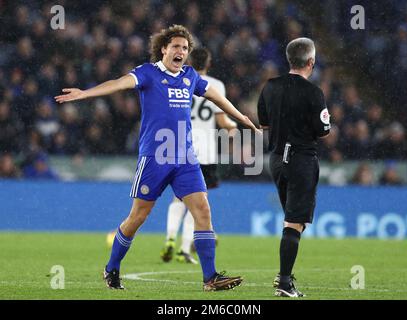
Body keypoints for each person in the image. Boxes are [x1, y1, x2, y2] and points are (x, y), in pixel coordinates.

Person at [55, 25, 260, 291]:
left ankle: (210, 278)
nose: (181, 52)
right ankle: (112, 268)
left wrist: (241, 117)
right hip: (155, 158)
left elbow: (215, 97)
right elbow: (118, 84)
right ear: (163, 49)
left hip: (186, 158)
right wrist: (85, 93)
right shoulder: (148, 73)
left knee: (203, 210)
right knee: (137, 217)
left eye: (185, 48)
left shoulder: (189, 76)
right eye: (176, 46)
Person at [257, 37, 330, 297]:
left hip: (276, 159)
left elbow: (263, 123)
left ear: (289, 60)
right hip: (301, 159)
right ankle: (284, 283)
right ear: (311, 62)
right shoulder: (313, 92)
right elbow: (323, 130)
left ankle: (285, 279)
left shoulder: (270, 87)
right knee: (294, 222)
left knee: (293, 221)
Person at [160, 47, 237, 265]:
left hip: (179, 147)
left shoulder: (179, 80)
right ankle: (184, 249)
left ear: (189, 61)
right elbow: (223, 121)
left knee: (178, 198)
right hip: (205, 152)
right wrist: (233, 127)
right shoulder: (216, 85)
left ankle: (169, 239)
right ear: (209, 63)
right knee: (198, 202)